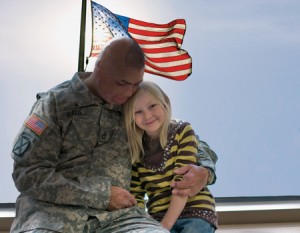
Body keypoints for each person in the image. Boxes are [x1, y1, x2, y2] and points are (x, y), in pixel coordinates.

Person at [10, 37, 217, 233]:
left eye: (136, 84)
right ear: (99, 69)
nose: (129, 93)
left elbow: (178, 135)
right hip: (50, 216)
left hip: (120, 219)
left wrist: (205, 171)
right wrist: (102, 194)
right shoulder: (54, 104)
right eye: (122, 83)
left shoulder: (133, 105)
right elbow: (27, 173)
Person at [123, 81, 218, 233]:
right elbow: (136, 196)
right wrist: (142, 225)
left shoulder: (182, 131)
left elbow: (183, 185)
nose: (147, 115)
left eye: (152, 106)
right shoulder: (136, 150)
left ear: (165, 103)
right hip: (157, 218)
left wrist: (165, 226)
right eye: (137, 112)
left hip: (194, 211)